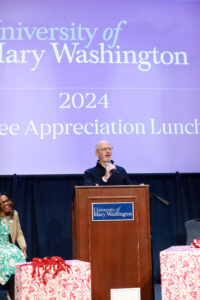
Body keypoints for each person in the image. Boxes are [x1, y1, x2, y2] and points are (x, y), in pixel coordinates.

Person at [0, 193, 27, 300]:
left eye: (7, 201)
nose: (6, 204)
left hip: (9, 245)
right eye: (3, 202)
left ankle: (12, 293)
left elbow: (19, 233)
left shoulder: (14, 214)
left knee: (18, 255)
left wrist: (23, 247)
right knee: (4, 256)